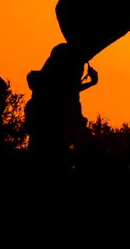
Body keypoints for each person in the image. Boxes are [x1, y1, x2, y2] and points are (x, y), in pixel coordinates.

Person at [26, 43, 96, 171]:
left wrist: (91, 83)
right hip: (51, 145)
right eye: (77, 69)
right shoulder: (51, 97)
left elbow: (68, 89)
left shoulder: (47, 90)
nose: (79, 72)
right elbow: (67, 90)